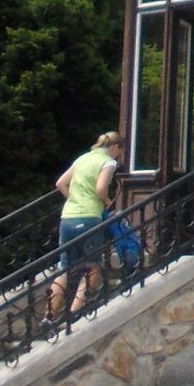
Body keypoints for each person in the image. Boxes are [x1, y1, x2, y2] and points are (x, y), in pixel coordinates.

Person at [49, 131, 121, 319]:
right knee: (93, 267)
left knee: (65, 268)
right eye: (119, 152)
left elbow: (60, 183)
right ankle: (74, 312)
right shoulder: (108, 162)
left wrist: (74, 199)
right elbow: (100, 189)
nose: (118, 156)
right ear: (114, 147)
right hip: (89, 218)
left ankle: (49, 316)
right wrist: (106, 201)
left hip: (68, 217)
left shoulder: (82, 159)